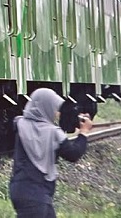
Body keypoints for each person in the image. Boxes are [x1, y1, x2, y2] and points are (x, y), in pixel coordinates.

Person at [8, 88, 93, 217]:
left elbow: (21, 120)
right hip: (37, 193)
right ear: (46, 107)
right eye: (54, 108)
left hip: (19, 190)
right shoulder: (53, 133)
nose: (57, 113)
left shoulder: (20, 125)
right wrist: (83, 133)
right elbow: (73, 154)